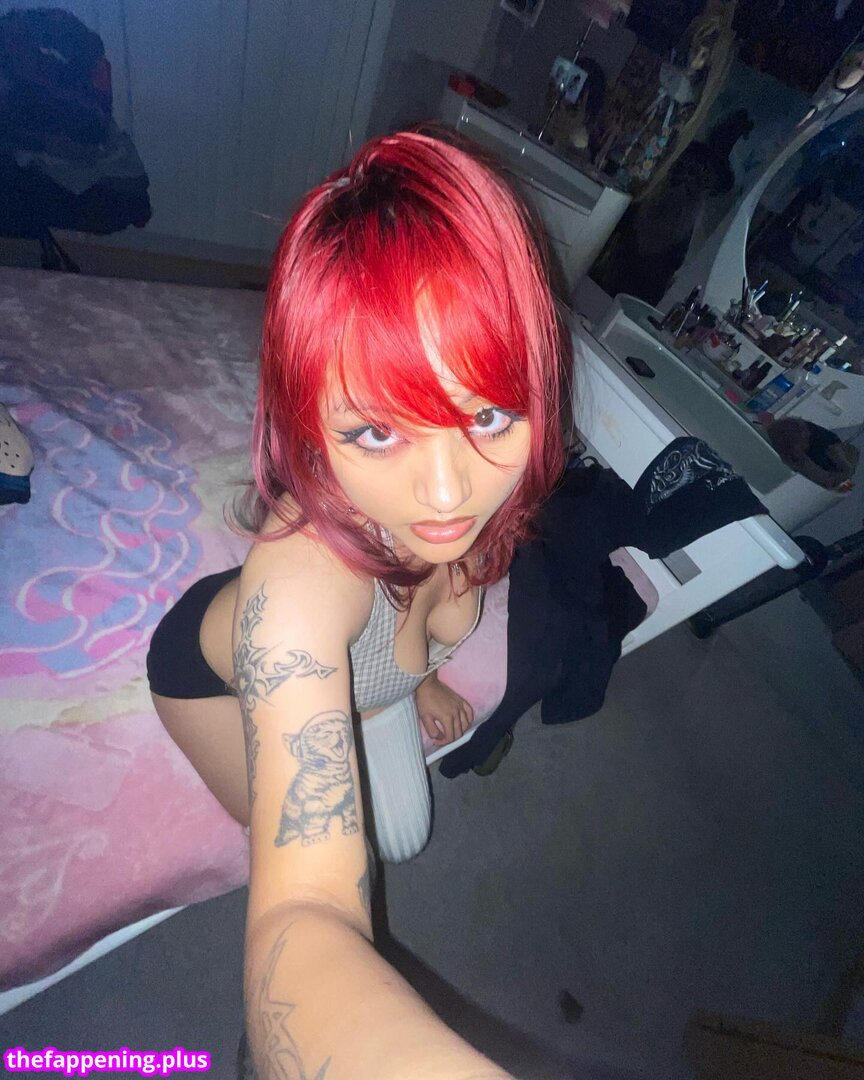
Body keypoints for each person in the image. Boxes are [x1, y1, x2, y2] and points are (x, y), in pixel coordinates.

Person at [146, 128, 566, 1079]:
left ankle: (381, 691)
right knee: (346, 853)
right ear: (309, 426)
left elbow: (435, 591)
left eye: (487, 415)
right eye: (378, 430)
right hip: (208, 673)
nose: (449, 494)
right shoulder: (298, 592)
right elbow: (304, 911)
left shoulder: (482, 512)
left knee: (403, 830)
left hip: (373, 673)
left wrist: (415, 683)